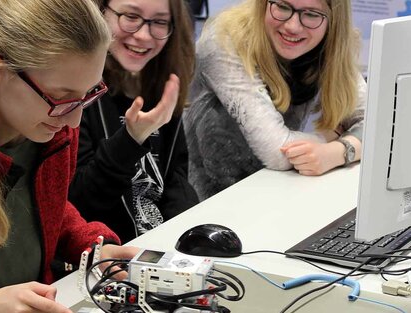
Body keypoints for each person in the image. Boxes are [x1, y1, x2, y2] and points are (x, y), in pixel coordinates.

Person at [0, 0, 138, 312]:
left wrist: (89, 245)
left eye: (87, 95)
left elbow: (41, 207)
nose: (73, 122)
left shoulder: (50, 129)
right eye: (60, 98)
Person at [184, 0, 366, 200]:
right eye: (282, 7)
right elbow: (276, 150)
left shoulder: (334, 43)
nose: (292, 26)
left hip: (277, 190)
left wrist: (338, 151)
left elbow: (382, 125)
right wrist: (328, 137)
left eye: (312, 14)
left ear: (333, 20)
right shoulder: (224, 39)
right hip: (205, 198)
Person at [68, 0, 199, 242]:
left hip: (154, 249)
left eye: (159, 22)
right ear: (100, 12)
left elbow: (174, 181)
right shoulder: (74, 92)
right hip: (102, 253)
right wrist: (131, 139)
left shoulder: (162, 81)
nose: (143, 35)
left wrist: (190, 239)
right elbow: (79, 204)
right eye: (130, 16)